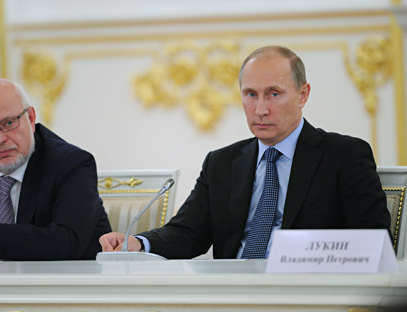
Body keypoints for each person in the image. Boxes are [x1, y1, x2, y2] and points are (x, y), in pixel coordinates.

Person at [99, 45, 391, 259]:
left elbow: (373, 243)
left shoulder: (344, 156)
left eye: (273, 94)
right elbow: (189, 233)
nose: (260, 109)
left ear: (303, 95)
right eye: (251, 94)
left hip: (307, 292)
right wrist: (137, 243)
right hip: (232, 293)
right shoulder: (222, 163)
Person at [0, 78, 111, 260]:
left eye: (8, 123)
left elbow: (65, 242)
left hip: (65, 285)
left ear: (30, 118)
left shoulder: (71, 164)